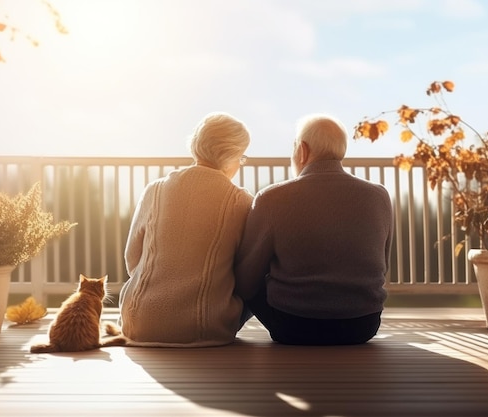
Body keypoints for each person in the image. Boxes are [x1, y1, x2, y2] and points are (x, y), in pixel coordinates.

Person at [234, 113, 393, 345]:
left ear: (302, 150)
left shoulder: (272, 198)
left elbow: (246, 281)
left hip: (292, 326)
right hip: (362, 325)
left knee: (249, 274)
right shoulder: (379, 196)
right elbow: (382, 264)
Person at [119, 112, 253, 347]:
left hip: (139, 324)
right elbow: (247, 273)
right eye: (241, 157)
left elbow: (132, 260)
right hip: (206, 329)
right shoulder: (240, 201)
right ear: (232, 155)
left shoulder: (155, 190)